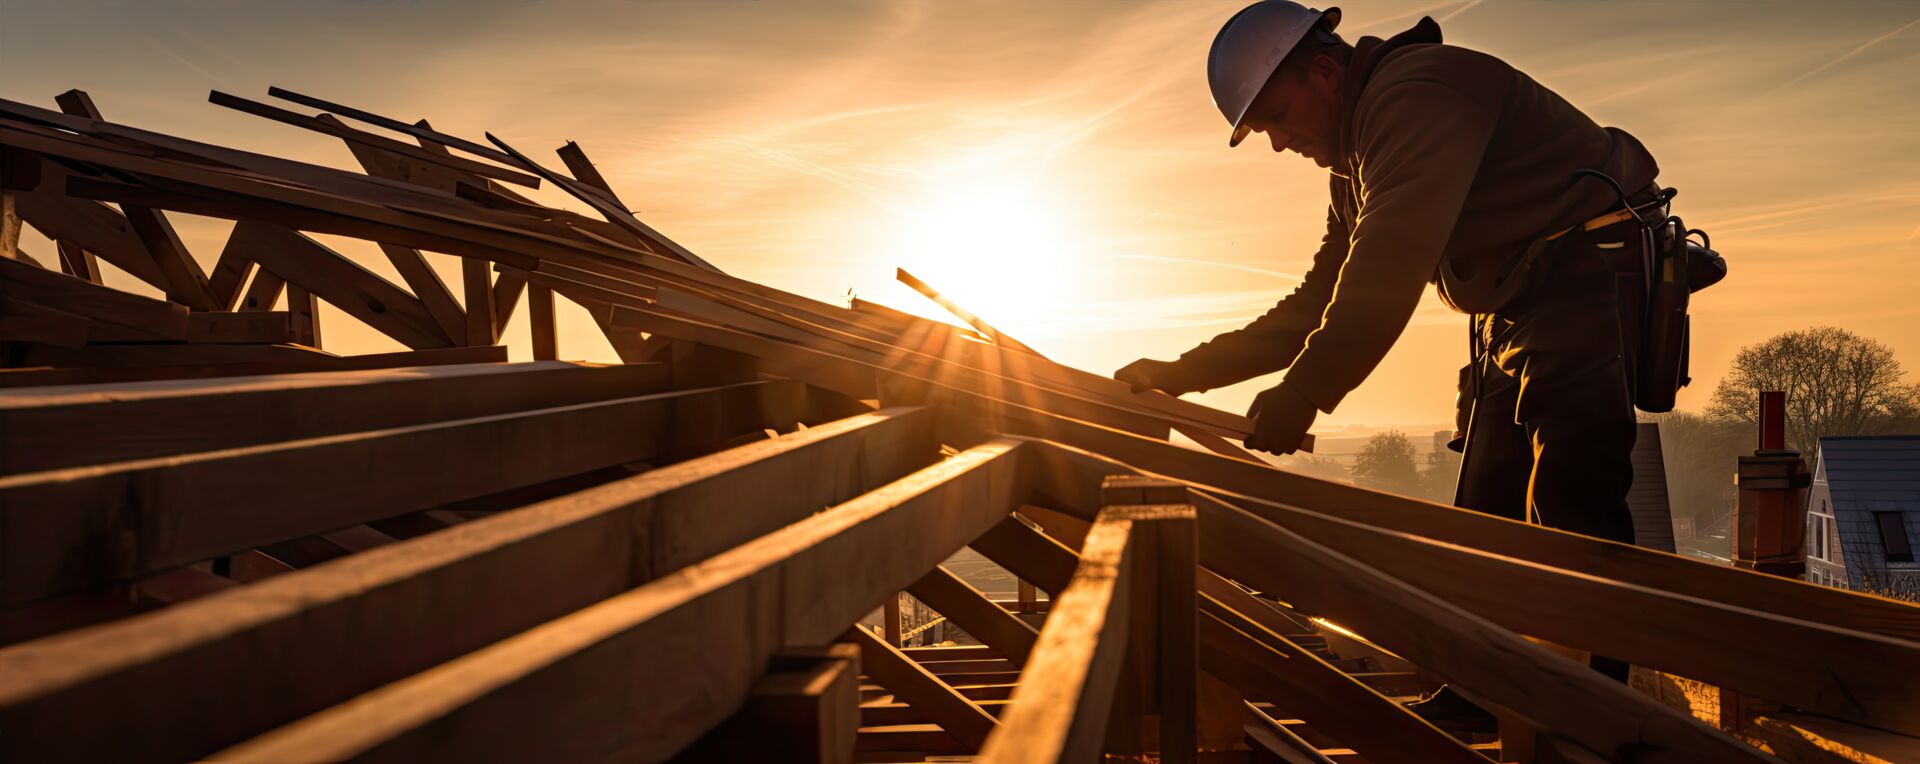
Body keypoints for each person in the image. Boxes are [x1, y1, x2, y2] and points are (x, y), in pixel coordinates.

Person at [1115, 0, 1690, 726]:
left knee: (1573, 495)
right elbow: (1311, 306)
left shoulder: (1418, 97)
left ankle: (1589, 712)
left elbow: (1385, 270)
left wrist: (1305, 393)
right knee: (1486, 503)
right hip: (1518, 300)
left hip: (1587, 268)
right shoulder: (1353, 165)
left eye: (1280, 116)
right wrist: (1181, 371)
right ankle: (1486, 692)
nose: (1279, 143)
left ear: (1326, 72)